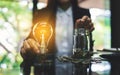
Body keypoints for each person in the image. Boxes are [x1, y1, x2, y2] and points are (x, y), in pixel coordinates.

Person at [20, 0, 94, 75]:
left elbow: (88, 50)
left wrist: (82, 35)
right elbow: (31, 41)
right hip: (48, 71)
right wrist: (27, 47)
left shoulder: (83, 14)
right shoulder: (42, 14)